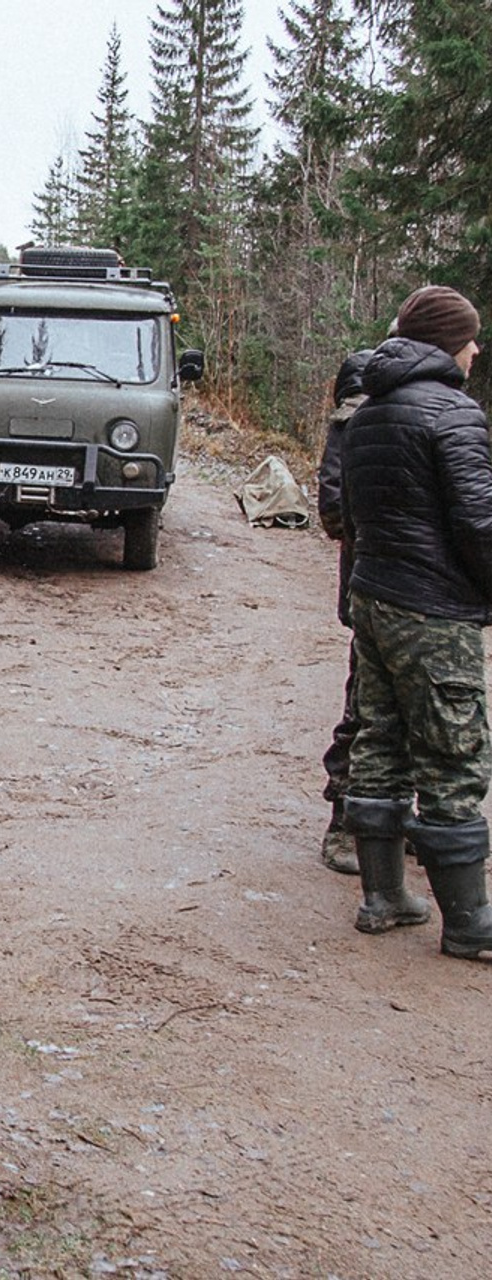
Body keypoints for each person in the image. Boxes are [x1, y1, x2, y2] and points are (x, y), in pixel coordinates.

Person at [341, 285, 492, 958]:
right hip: (433, 610)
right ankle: (469, 923)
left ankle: (384, 897)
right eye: (470, 338)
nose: (477, 349)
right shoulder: (455, 414)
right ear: (448, 344)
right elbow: (480, 522)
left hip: (374, 599)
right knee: (453, 755)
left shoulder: (368, 412)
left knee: (381, 741)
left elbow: (350, 515)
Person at [315, 349, 375, 874]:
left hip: (382, 583)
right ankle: (346, 823)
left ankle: (387, 820)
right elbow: (332, 504)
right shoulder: (358, 420)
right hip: (376, 585)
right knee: (366, 707)